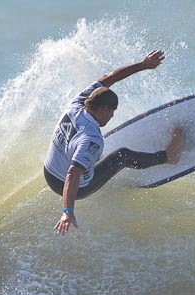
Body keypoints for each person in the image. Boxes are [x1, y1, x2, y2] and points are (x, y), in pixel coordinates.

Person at [43, 49, 185, 235]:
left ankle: (87, 161)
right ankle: (169, 156)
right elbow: (73, 174)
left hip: (49, 172)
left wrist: (143, 65)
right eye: (112, 111)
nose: (112, 116)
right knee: (122, 155)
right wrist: (67, 212)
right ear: (102, 109)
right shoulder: (92, 138)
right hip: (72, 188)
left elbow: (109, 77)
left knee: (84, 154)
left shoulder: (77, 103)